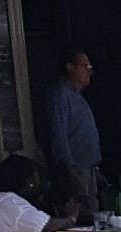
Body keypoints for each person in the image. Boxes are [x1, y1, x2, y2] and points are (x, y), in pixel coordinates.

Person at [46, 47, 101, 219]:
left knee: (93, 213)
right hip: (74, 171)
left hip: (87, 169)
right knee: (82, 218)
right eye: (86, 67)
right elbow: (59, 137)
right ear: (70, 67)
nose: (90, 72)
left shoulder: (78, 96)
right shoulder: (60, 96)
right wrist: (70, 171)